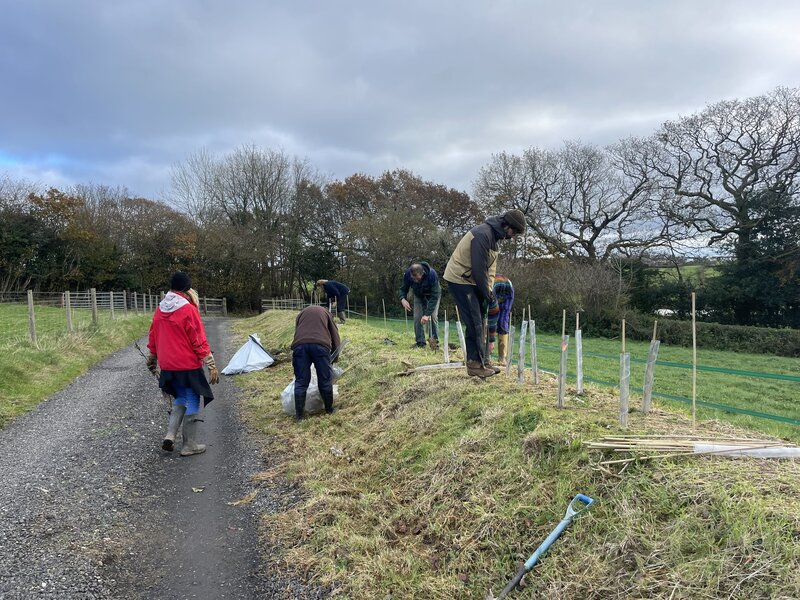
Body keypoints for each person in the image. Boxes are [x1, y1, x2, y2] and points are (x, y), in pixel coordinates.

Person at [443, 210, 526, 378]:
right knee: (474, 321)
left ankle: (483, 361)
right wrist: (485, 293)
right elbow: (479, 268)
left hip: (471, 280)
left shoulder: (494, 238)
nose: (514, 236)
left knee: (481, 319)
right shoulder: (483, 234)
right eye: (515, 232)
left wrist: (488, 291)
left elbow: (490, 270)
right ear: (507, 225)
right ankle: (474, 364)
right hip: (459, 279)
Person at [146, 271, 220, 456]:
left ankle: (170, 435)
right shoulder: (188, 309)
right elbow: (198, 339)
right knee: (193, 399)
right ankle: (189, 445)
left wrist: (152, 358)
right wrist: (210, 363)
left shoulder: (160, 308)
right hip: (187, 365)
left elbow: (153, 336)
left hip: (168, 365)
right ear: (187, 289)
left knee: (180, 398)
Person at [291, 304, 341, 420]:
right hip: (320, 346)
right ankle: (329, 410)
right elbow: (335, 336)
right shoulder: (326, 313)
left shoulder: (301, 313)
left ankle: (299, 416)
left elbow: (298, 332)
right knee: (324, 379)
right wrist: (335, 357)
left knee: (301, 381)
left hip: (300, 346)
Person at [399, 261, 441, 348]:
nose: (415, 280)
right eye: (413, 278)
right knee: (417, 317)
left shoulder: (432, 275)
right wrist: (402, 299)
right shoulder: (408, 274)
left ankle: (434, 342)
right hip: (419, 296)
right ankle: (420, 343)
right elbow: (403, 288)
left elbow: (435, 296)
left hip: (433, 296)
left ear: (422, 273)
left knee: (433, 316)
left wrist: (427, 314)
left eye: (417, 279)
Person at [487, 274, 515, 364]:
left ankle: (501, 359)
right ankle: (488, 356)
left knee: (501, 323)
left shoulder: (489, 286)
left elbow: (492, 314)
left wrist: (491, 341)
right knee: (488, 321)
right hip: (496, 289)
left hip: (506, 291)